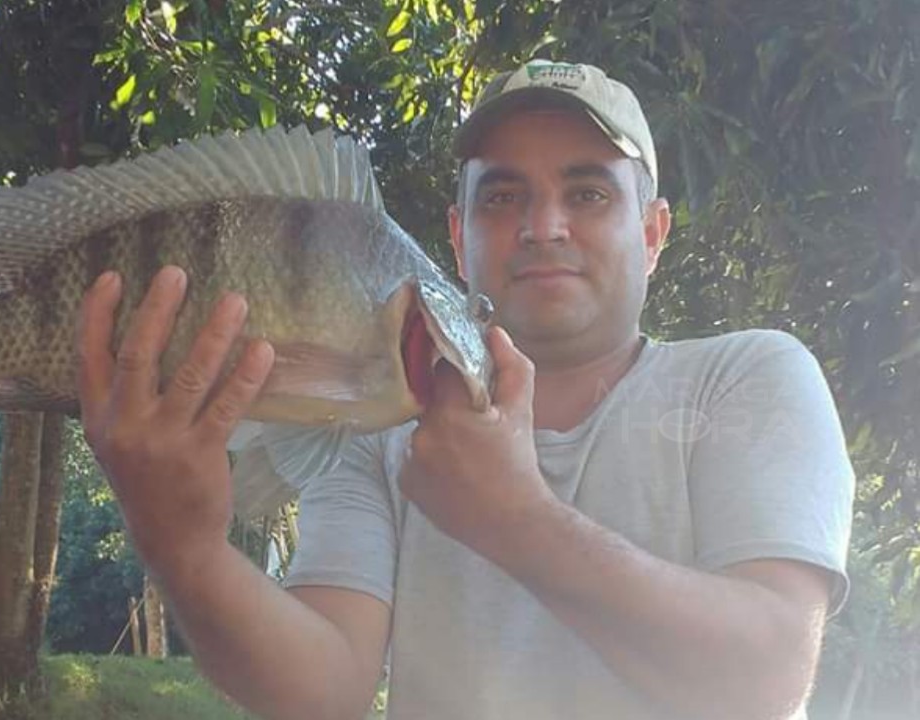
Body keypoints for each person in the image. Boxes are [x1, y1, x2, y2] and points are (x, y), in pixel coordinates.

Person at [76, 59, 855, 720]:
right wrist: (184, 549)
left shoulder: (748, 375)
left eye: (587, 194)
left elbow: (766, 675)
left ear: (652, 234)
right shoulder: (378, 416)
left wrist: (513, 517)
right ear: (456, 236)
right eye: (502, 196)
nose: (543, 225)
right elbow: (325, 692)